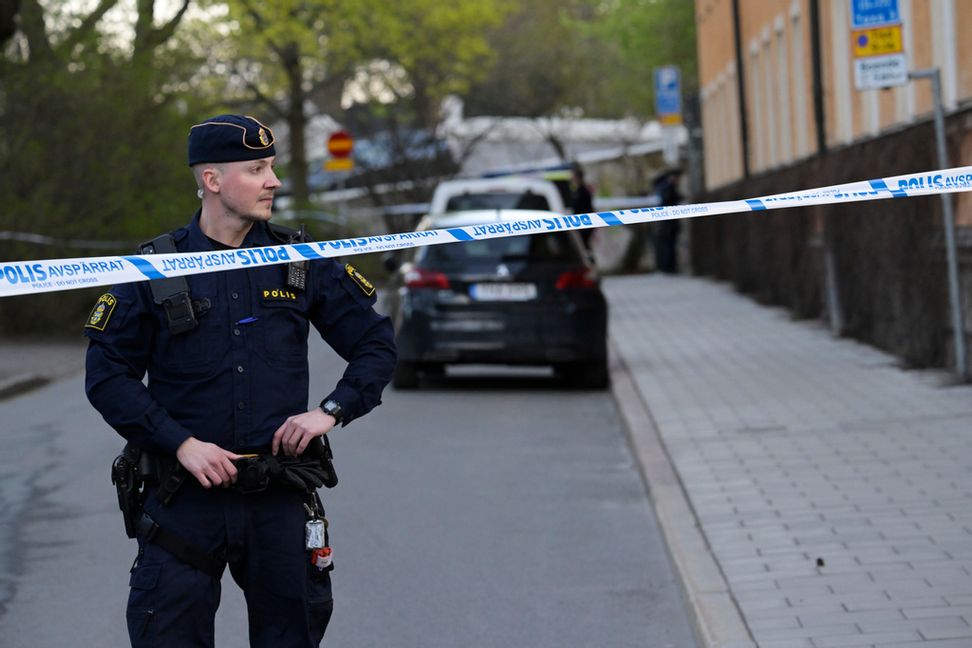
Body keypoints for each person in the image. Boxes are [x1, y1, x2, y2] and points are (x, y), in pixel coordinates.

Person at [84, 114, 397, 647]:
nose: (273, 181)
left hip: (277, 496)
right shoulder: (155, 269)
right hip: (184, 501)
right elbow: (107, 374)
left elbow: (376, 344)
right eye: (256, 169)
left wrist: (332, 409)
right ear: (212, 180)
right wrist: (179, 443)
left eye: (271, 167)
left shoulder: (298, 260)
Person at [653, 167, 684, 273]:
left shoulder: (665, 187)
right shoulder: (666, 187)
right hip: (667, 224)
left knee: (668, 246)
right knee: (667, 246)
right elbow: (668, 200)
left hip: (668, 223)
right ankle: (668, 268)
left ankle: (668, 267)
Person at [570, 163, 595, 251]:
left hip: (584, 225)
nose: (572, 179)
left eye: (574, 177)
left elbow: (585, 208)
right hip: (580, 224)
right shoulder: (578, 191)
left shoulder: (583, 192)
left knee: (583, 247)